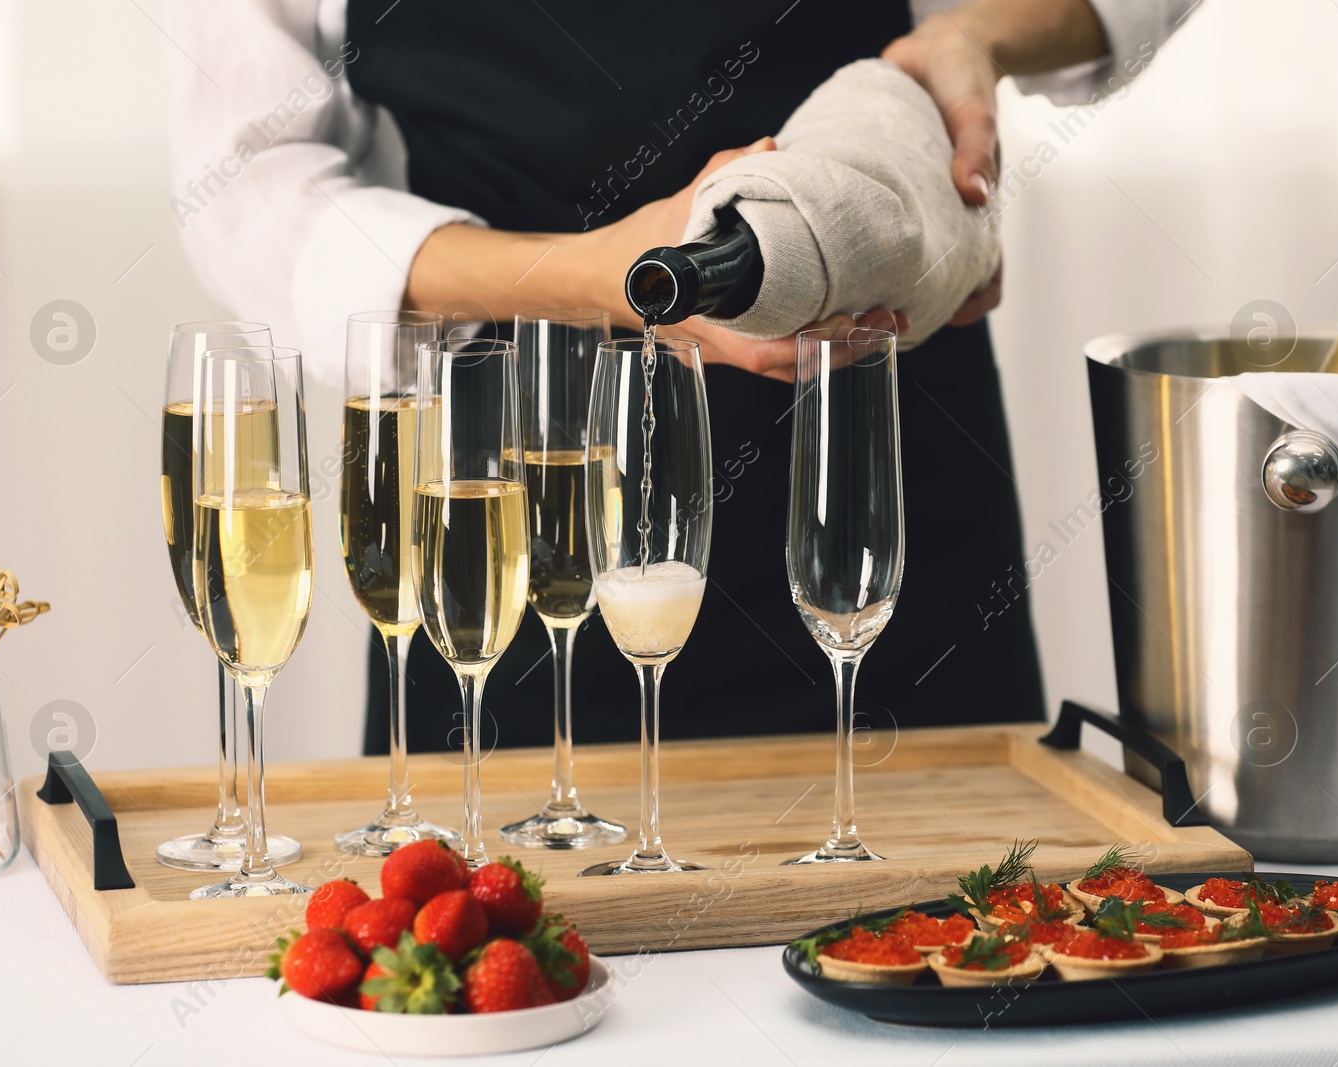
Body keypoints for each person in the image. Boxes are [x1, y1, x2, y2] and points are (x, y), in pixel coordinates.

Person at [165, 0, 1198, 753]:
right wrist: (599, 281)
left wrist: (975, 35)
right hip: (508, 509)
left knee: (949, 966)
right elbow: (247, 186)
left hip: (870, 461)